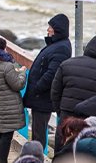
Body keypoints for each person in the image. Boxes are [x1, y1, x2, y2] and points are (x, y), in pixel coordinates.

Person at [23, 13, 71, 152]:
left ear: (57, 29)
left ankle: (35, 158)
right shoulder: (56, 44)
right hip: (39, 97)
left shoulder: (62, 47)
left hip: (43, 98)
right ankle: (33, 157)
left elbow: (52, 73)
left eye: (50, 27)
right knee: (37, 131)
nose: (47, 30)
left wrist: (37, 88)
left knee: (38, 134)